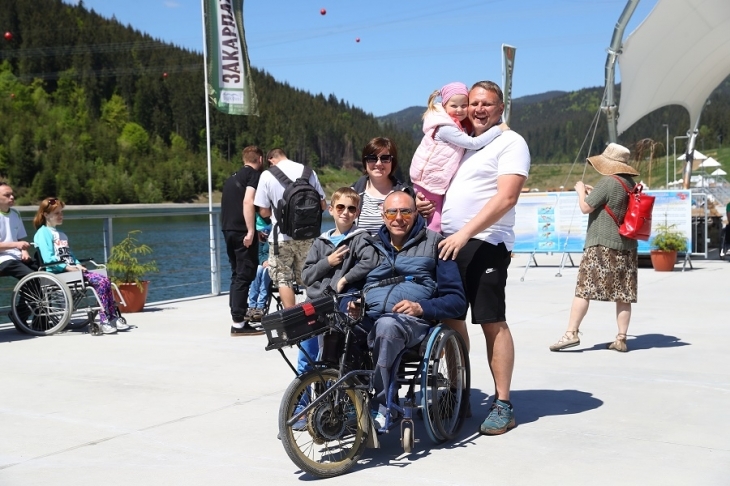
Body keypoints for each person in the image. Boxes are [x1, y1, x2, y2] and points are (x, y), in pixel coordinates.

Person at [437, 80, 531, 436]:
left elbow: (507, 197)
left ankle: (503, 403)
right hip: (450, 244)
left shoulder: (511, 142)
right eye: (473, 103)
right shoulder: (466, 144)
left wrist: (465, 233)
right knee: (451, 319)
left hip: (486, 242)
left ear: (500, 107)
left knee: (492, 320)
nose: (477, 109)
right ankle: (458, 394)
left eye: (486, 104)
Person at [364, 191, 466, 428]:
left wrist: (421, 307)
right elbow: (351, 285)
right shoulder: (369, 245)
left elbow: (457, 300)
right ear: (383, 215)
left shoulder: (437, 244)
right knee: (332, 324)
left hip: (412, 324)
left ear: (416, 212)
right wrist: (349, 304)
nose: (398, 218)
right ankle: (336, 403)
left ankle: (383, 408)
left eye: (405, 212)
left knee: (387, 326)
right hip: (368, 317)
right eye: (392, 212)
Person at [549, 143, 640, 353]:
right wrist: (591, 193)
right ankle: (621, 338)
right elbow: (612, 204)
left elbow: (585, 207)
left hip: (602, 245)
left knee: (584, 289)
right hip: (627, 247)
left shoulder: (607, 181)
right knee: (624, 295)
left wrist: (580, 191)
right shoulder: (630, 183)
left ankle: (571, 333)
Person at [254, 148, 327, 373]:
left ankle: (295, 324)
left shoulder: (268, 175)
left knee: (283, 277)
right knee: (310, 278)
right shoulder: (308, 171)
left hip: (281, 237)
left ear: (271, 159)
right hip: (308, 236)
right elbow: (323, 205)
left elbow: (263, 211)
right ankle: (315, 318)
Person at [410, 82, 508, 232]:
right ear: (444, 106)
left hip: (434, 182)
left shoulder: (457, 125)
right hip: (430, 182)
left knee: (432, 220)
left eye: (464, 105)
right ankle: (431, 245)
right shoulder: (445, 128)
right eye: (454, 106)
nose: (459, 110)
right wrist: (498, 129)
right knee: (435, 224)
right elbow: (473, 143)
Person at [33, 197, 129, 334]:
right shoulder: (43, 233)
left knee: (105, 280)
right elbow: (48, 259)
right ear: (46, 214)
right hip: (58, 273)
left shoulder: (61, 234)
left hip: (71, 271)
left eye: (61, 212)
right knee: (101, 282)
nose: (61, 216)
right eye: (57, 213)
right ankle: (105, 320)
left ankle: (112, 317)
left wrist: (78, 265)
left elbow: (69, 256)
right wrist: (67, 268)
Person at [302, 187, 378, 302]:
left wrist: (344, 280)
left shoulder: (360, 238)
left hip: (341, 298)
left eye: (351, 209)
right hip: (314, 300)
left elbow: (371, 261)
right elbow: (306, 276)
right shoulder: (320, 242)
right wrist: (328, 262)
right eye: (340, 207)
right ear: (331, 210)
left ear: (357, 213)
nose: (345, 212)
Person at [221, 145, 264, 336]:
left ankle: (237, 317)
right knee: (244, 275)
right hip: (242, 231)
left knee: (236, 274)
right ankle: (238, 323)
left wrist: (254, 231)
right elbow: (248, 201)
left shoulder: (232, 178)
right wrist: (251, 231)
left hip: (228, 229)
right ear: (260, 159)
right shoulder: (253, 175)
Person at [352, 138, 410, 236]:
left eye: (385, 158)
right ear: (365, 161)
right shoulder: (352, 193)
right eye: (372, 158)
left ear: (392, 162)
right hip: (359, 246)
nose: (378, 163)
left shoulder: (407, 193)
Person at [245, 214, 272, 322]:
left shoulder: (277, 235)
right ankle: (252, 305)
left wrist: (270, 262)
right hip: (264, 263)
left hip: (275, 263)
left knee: (266, 272)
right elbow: (260, 253)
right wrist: (263, 261)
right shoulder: (261, 236)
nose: (265, 233)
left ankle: (260, 306)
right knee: (257, 271)